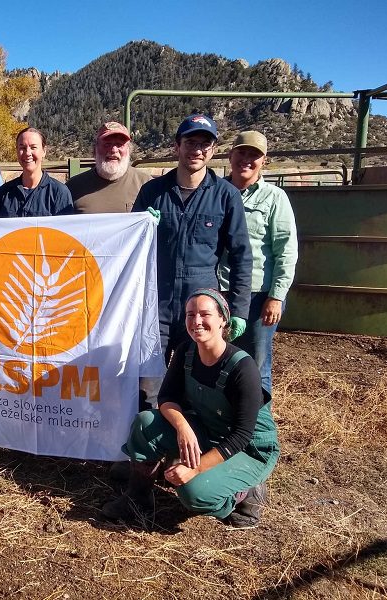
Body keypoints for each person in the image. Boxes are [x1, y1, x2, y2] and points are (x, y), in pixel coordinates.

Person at [102, 289, 280, 528]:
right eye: (190, 314)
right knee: (146, 423)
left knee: (194, 492)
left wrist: (195, 469)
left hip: (246, 449)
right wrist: (182, 426)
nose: (196, 321)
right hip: (207, 430)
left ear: (222, 320)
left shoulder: (242, 368)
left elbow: (242, 435)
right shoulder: (186, 351)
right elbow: (166, 397)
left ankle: (244, 492)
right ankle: (138, 499)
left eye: (205, 314)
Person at [132, 114, 253, 397]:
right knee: (148, 384)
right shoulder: (153, 192)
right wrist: (140, 224)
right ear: (177, 146)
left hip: (200, 308)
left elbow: (241, 256)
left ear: (213, 150)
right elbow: (132, 248)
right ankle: (150, 436)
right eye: (190, 142)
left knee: (198, 383)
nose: (197, 149)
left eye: (205, 144)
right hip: (156, 307)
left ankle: (191, 438)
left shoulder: (225, 195)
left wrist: (238, 310)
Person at [219, 131, 298, 394]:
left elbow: (286, 250)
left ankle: (258, 428)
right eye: (242, 152)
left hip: (258, 296)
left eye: (254, 155)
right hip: (219, 293)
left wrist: (276, 297)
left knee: (256, 364)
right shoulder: (215, 192)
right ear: (230, 155)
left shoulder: (274, 198)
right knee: (218, 360)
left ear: (264, 161)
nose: (246, 159)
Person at [67, 121, 152, 214]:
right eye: (107, 144)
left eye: (120, 144)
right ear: (95, 149)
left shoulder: (147, 184)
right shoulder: (73, 187)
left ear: (129, 149)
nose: (114, 150)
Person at [0, 127, 73, 218]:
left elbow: (65, 230)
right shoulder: (4, 193)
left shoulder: (59, 192)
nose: (27, 153)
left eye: (33, 147)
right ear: (17, 151)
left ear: (44, 151)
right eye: (22, 148)